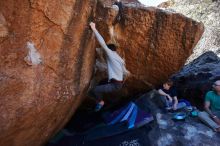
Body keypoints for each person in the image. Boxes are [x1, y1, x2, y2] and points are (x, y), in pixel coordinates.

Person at [89, 22, 130, 111]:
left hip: (115, 85)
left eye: (106, 51)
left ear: (110, 50)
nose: (105, 53)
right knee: (100, 84)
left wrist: (94, 29)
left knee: (95, 90)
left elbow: (103, 44)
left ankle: (100, 102)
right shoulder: (119, 58)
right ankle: (100, 97)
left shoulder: (110, 54)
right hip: (117, 83)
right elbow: (125, 72)